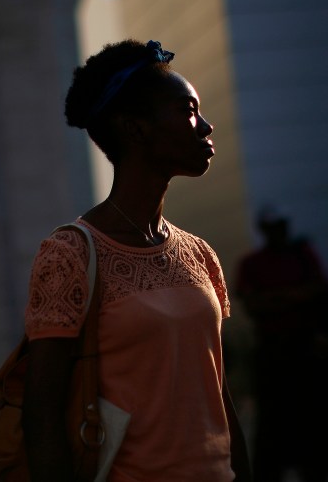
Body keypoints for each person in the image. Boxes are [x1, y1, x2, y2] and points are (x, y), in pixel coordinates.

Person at [22, 39, 251, 481]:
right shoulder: (70, 254)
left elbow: (219, 395)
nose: (205, 125)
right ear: (136, 129)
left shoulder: (199, 253)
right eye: (188, 110)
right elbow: (42, 414)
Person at [236, 205, 328, 481]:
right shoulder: (252, 262)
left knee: (313, 421)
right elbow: (252, 304)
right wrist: (294, 296)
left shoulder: (303, 255)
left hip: (305, 349)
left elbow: (318, 289)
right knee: (272, 424)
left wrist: (275, 299)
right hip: (273, 353)